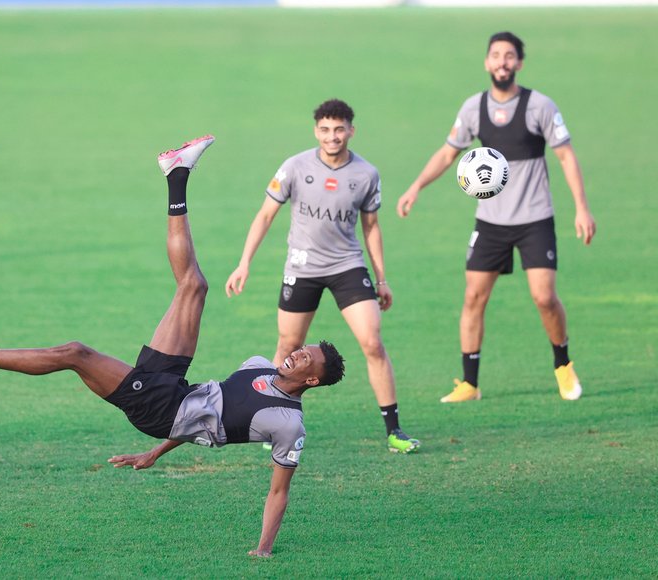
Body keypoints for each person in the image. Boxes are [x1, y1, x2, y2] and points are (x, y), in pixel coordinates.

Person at [0, 134, 346, 558]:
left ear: (312, 378)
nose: (296, 352)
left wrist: (263, 550)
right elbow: (210, 417)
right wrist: (156, 453)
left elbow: (278, 493)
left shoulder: (289, 424)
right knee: (194, 285)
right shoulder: (260, 365)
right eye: (302, 348)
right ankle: (177, 175)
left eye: (305, 358)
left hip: (162, 409)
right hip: (176, 391)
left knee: (75, 353)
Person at [396, 31, 596, 402]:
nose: (502, 62)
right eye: (495, 56)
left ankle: (563, 366)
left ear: (519, 63)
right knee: (473, 297)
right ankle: (469, 384)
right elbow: (447, 154)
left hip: (535, 219)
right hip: (490, 222)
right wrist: (415, 187)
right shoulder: (473, 108)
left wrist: (582, 208)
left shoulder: (540, 106)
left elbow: (566, 156)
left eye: (509, 56)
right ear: (487, 62)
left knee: (544, 297)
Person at [225, 99, 419, 454]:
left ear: (351, 130)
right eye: (326, 130)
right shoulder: (294, 167)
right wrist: (244, 263)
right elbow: (265, 215)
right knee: (287, 347)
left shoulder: (366, 174)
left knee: (373, 342)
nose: (333, 136)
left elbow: (372, 227)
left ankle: (395, 431)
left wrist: (382, 278)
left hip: (347, 266)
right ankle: (270, 422)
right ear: (316, 131)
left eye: (340, 129)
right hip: (301, 268)